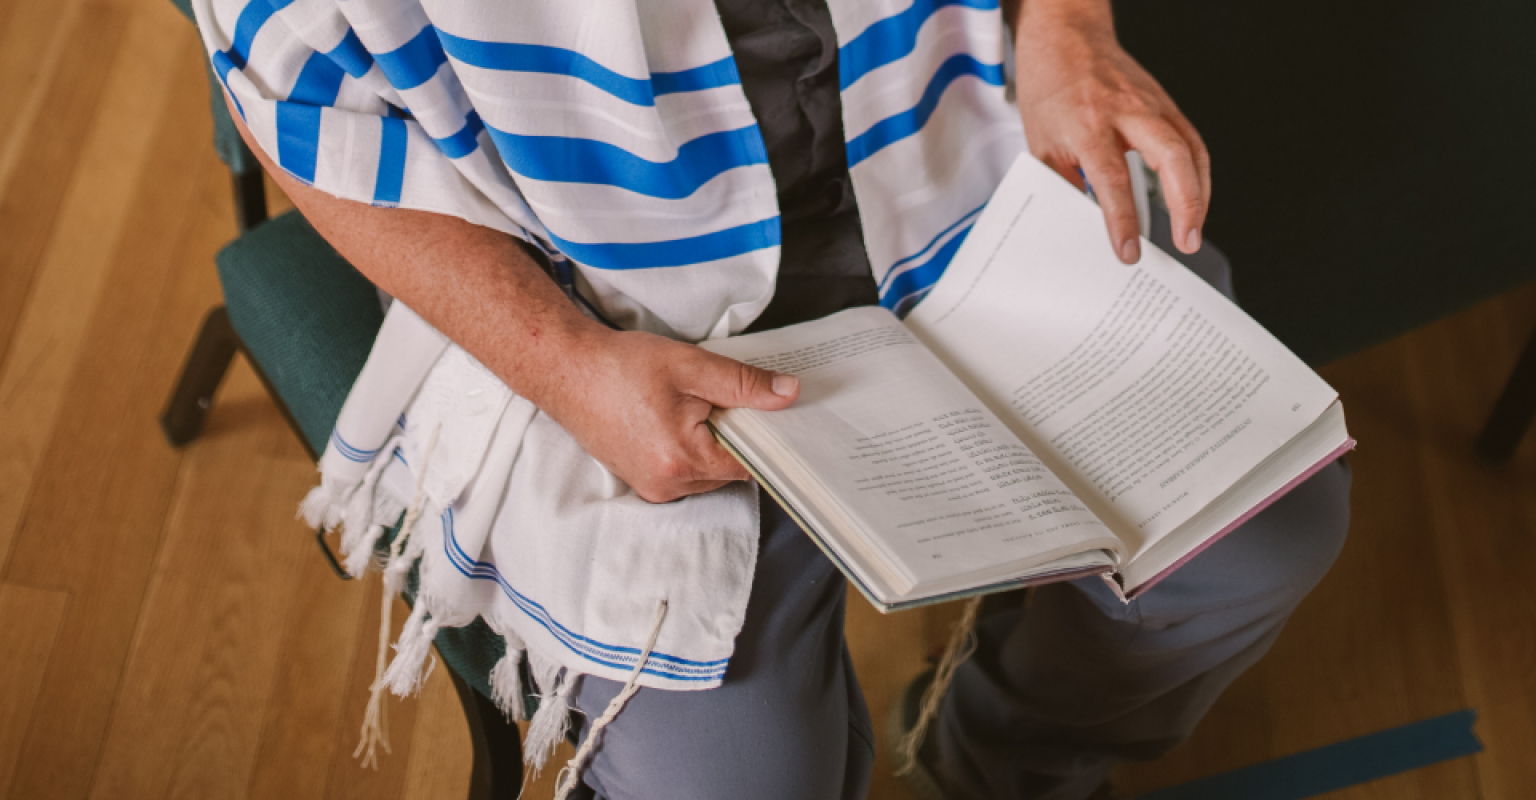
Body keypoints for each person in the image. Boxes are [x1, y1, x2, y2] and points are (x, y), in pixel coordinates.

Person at [197, 0, 1351, 796]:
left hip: (947, 137)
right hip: (601, 279)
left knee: (1260, 535)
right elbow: (291, 91)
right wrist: (564, 362)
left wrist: (1067, 27)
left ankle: (1005, 758)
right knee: (736, 780)